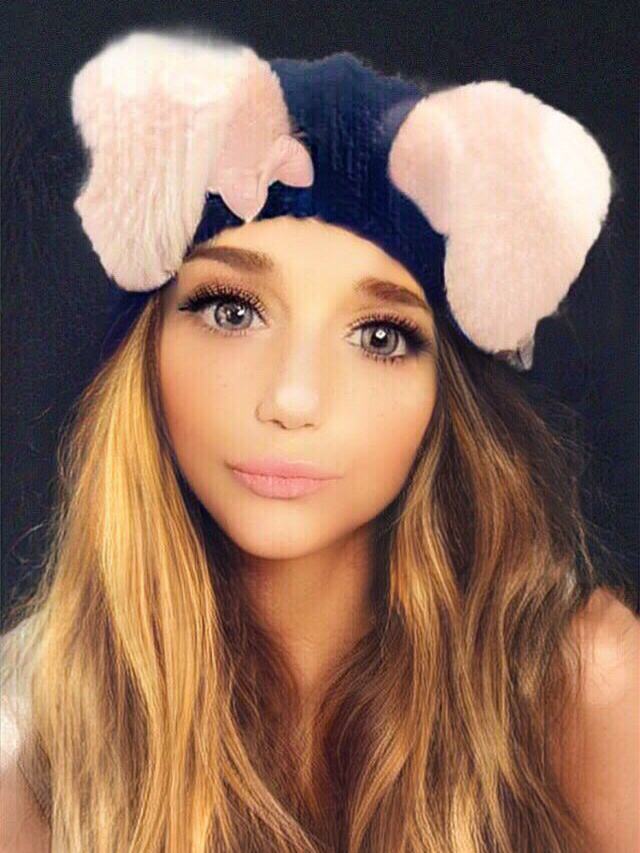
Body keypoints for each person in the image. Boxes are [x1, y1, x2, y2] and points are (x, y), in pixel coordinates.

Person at [1, 27, 638, 853]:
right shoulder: (31, 733)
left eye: (379, 336)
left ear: (446, 391)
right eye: (232, 311)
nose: (293, 399)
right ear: (146, 349)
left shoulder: (586, 690)